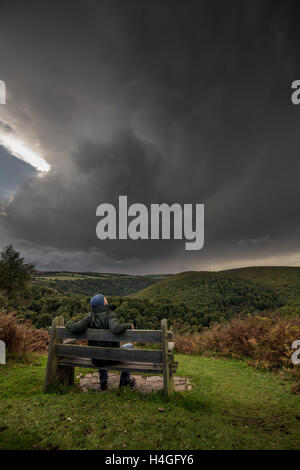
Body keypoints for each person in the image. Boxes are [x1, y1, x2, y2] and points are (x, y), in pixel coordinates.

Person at [66, 293, 135, 391]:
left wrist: (68, 323)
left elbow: (75, 328)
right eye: (105, 299)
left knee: (99, 350)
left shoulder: (90, 316)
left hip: (96, 358)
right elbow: (115, 328)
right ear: (102, 303)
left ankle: (103, 383)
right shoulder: (110, 314)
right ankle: (124, 381)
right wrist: (128, 325)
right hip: (112, 358)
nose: (107, 300)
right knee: (129, 346)